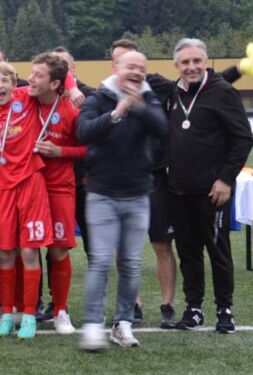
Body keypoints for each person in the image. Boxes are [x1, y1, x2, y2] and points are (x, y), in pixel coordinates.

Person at [76, 50, 168, 350]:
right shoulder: (98, 97)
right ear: (116, 68)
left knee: (130, 263)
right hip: (101, 193)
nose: (137, 72)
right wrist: (117, 112)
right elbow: (84, 132)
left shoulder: (149, 98)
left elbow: (162, 128)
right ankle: (92, 324)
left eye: (142, 68)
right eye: (131, 67)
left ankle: (123, 323)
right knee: (101, 261)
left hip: (138, 193)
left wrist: (137, 106)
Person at [166, 38, 252, 334]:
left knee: (217, 251)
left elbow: (243, 139)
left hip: (213, 191)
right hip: (177, 189)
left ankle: (224, 309)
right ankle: (194, 308)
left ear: (206, 62)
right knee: (188, 252)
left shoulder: (223, 92)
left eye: (196, 61)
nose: (191, 67)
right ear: (176, 66)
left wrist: (226, 179)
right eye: (185, 62)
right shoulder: (171, 93)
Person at [0, 62, 51, 340]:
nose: (0, 86)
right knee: (6, 252)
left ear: (14, 83)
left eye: (5, 81)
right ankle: (7, 315)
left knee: (29, 252)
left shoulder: (26, 97)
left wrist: (70, 86)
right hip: (1, 188)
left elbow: (55, 76)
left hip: (30, 183)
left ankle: (30, 315)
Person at [27, 53, 85, 335]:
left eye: (38, 75)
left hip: (60, 187)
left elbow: (89, 149)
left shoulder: (72, 110)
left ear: (54, 83)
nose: (30, 79)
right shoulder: (23, 100)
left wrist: (60, 151)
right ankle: (25, 309)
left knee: (59, 249)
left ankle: (60, 310)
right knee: (27, 247)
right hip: (27, 186)